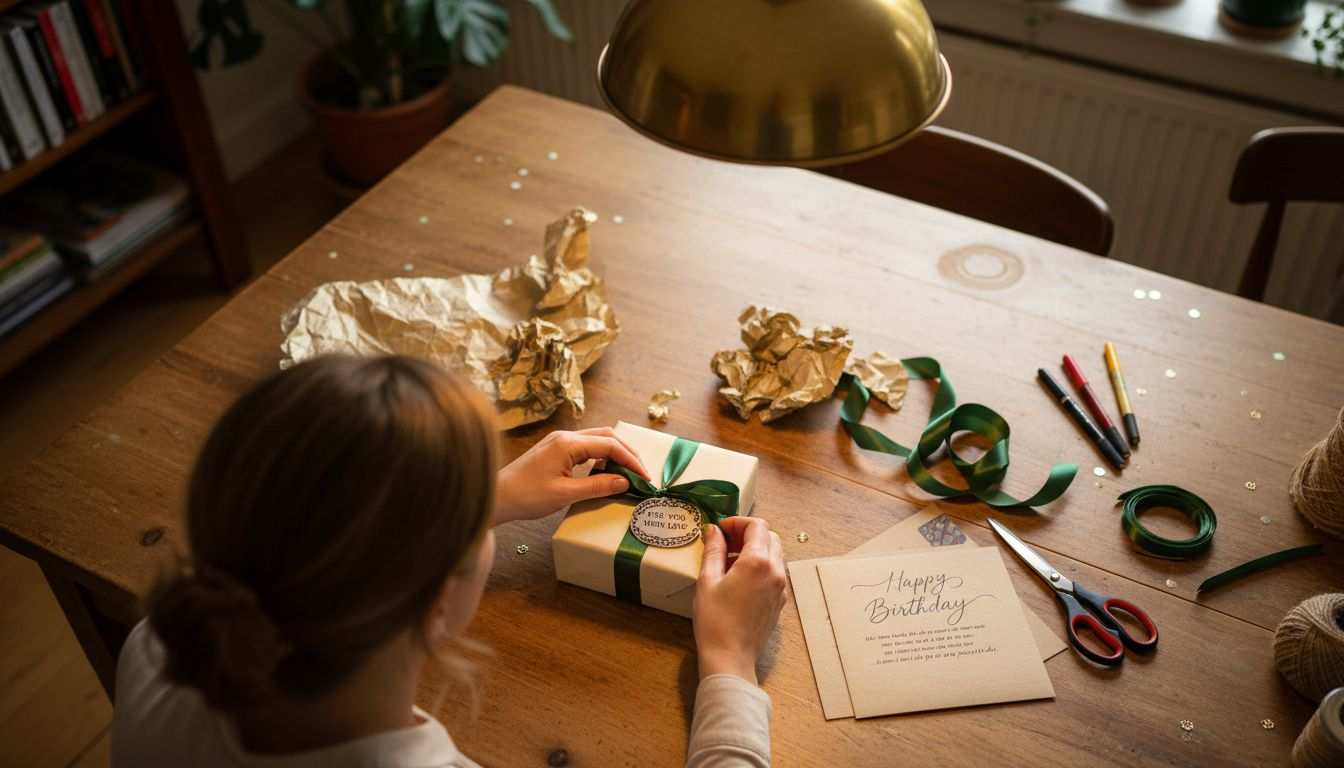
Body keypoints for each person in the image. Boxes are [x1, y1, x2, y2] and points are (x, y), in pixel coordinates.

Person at [111, 354, 787, 767]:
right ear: (437, 605)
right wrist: (729, 665)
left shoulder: (160, 650)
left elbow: (322, 528)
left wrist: (475, 500)